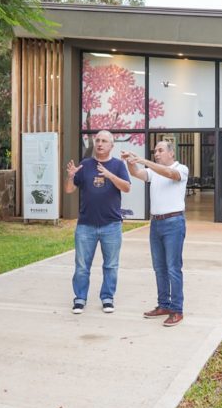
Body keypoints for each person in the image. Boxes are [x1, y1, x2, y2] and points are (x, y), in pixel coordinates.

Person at [122, 141, 188, 327]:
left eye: (160, 150)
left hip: (174, 223)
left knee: (173, 268)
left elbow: (168, 174)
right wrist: (130, 161)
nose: (157, 153)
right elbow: (136, 173)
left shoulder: (181, 169)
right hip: (156, 223)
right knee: (159, 268)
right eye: (155, 151)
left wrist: (143, 159)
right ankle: (163, 305)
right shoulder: (153, 172)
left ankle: (177, 310)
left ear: (171, 153)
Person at [66, 130, 131, 314]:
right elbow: (69, 190)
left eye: (104, 141)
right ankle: (80, 298)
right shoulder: (85, 165)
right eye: (98, 140)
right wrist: (71, 176)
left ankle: (107, 298)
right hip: (86, 225)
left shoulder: (118, 165)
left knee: (110, 265)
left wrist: (110, 175)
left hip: (111, 225)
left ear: (111, 145)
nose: (100, 144)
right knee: (81, 265)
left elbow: (126, 188)